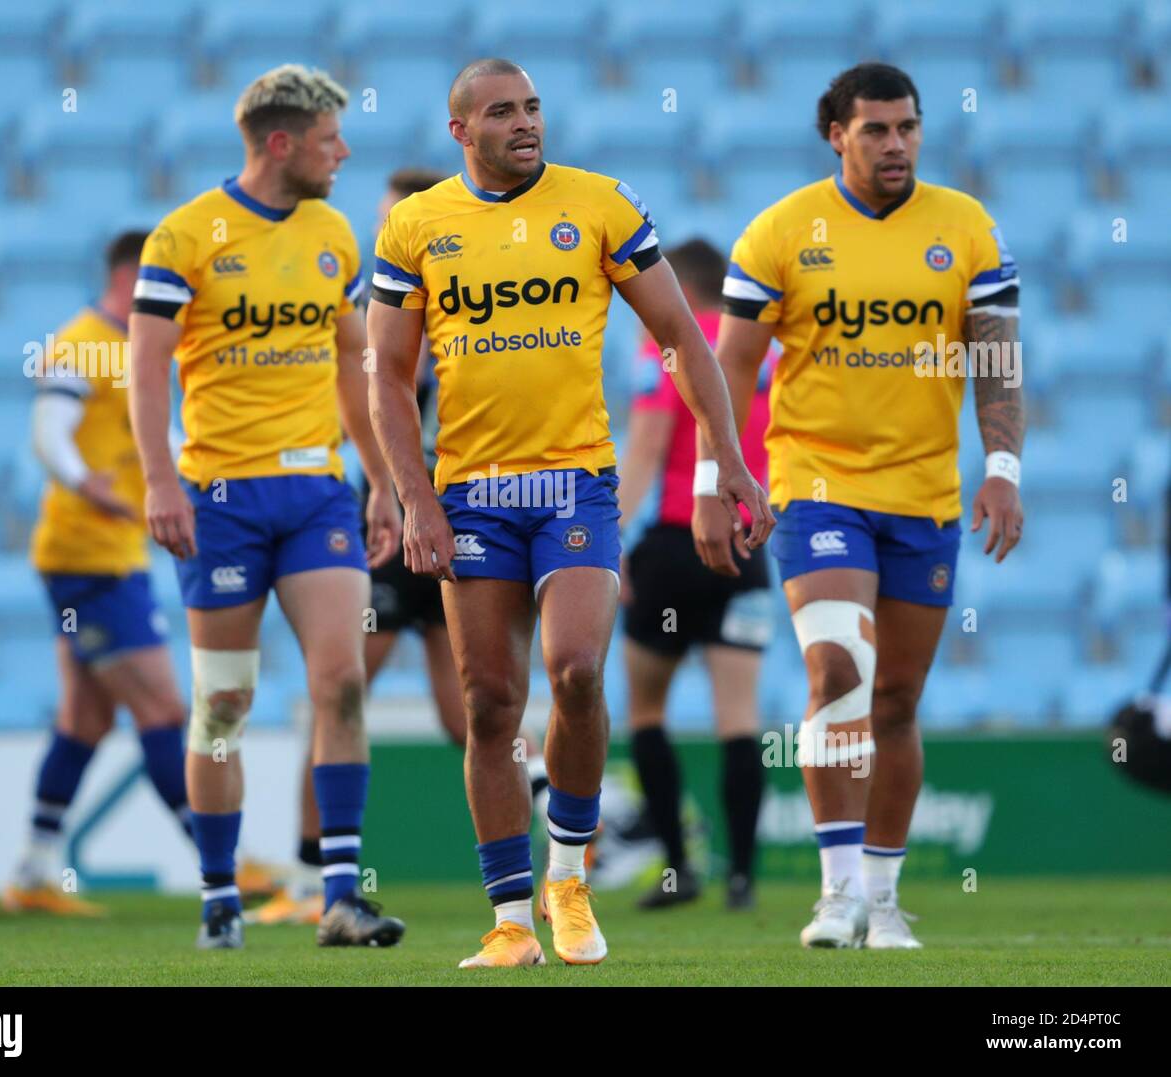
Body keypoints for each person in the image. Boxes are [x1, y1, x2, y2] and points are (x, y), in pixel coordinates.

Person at [368, 58, 771, 969]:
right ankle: (511, 922)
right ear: (459, 131)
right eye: (503, 112)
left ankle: (570, 877)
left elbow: (682, 337)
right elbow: (388, 377)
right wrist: (415, 497)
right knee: (488, 705)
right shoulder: (415, 226)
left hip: (574, 487)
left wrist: (729, 461)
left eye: (534, 108)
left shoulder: (599, 205)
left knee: (580, 671)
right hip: (470, 492)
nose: (525, 124)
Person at [693, 63, 1024, 949]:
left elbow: (995, 357)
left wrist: (1004, 467)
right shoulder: (781, 232)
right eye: (876, 129)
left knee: (899, 700)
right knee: (838, 669)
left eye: (907, 127)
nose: (896, 144)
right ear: (835, 134)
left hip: (923, 495)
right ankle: (834, 892)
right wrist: (713, 480)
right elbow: (725, 367)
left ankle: (882, 899)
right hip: (816, 486)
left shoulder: (967, 228)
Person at [129, 65, 405, 949]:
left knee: (342, 682)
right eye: (331, 141)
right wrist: (159, 478)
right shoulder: (185, 237)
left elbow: (356, 371)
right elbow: (141, 369)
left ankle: (339, 896)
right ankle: (219, 896)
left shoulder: (334, 234)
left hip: (317, 491)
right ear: (282, 143)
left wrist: (383, 484)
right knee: (224, 705)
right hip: (220, 498)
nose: (345, 154)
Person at [250, 167, 556, 927]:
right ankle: (309, 870)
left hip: (465, 524)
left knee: (477, 716)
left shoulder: (463, 290)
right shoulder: (370, 300)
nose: (384, 230)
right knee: (340, 687)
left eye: (396, 216)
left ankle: (564, 833)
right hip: (392, 527)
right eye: (382, 217)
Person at [2, 231, 192, 917]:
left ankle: (32, 867)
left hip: (100, 555)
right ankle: (218, 857)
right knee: (166, 710)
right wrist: (95, 487)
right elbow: (48, 430)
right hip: (88, 555)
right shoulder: (84, 338)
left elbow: (153, 440)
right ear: (134, 275)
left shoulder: (134, 346)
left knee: (83, 719)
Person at [618, 237, 777, 911]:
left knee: (646, 710)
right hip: (744, 546)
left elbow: (648, 449)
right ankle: (741, 875)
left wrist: (609, 537)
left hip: (675, 545)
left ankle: (682, 867)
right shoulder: (762, 353)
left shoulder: (668, 347)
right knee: (737, 718)